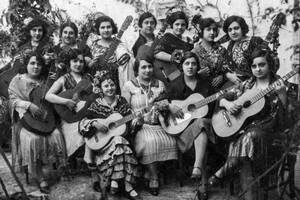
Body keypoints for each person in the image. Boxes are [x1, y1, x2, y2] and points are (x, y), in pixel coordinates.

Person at [208, 48, 287, 200]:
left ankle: (222, 172)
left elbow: (285, 120)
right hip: (246, 131)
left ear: (269, 64)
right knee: (247, 140)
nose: (258, 69)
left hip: (270, 133)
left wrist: (282, 94)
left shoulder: (280, 85)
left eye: (262, 65)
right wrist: (228, 104)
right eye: (254, 66)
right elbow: (221, 97)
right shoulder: (246, 85)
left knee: (249, 137)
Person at [8, 52, 66, 193]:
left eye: (39, 64)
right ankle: (39, 177)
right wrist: (28, 105)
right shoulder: (18, 80)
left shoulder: (46, 80)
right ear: (26, 65)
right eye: (32, 63)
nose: (36, 66)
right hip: (25, 121)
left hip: (45, 119)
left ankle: (62, 169)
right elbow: (11, 100)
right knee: (33, 140)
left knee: (57, 134)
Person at [79, 70, 141, 200]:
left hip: (122, 142)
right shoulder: (96, 104)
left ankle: (115, 181)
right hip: (102, 145)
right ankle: (128, 186)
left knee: (119, 140)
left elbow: (129, 122)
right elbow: (83, 123)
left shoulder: (121, 101)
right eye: (106, 86)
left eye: (112, 85)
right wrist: (95, 123)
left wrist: (137, 120)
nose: (110, 88)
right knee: (119, 143)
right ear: (100, 88)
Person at [122, 50, 178, 196]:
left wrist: (163, 107)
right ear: (137, 69)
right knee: (150, 141)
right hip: (139, 126)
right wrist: (135, 119)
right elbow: (124, 110)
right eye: (143, 67)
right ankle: (153, 177)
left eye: (149, 67)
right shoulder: (129, 86)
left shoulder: (159, 84)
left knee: (171, 140)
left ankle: (149, 171)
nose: (147, 70)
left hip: (159, 123)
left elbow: (165, 104)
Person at [167, 51, 215, 200]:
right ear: (182, 66)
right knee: (200, 128)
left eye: (194, 64)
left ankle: (197, 168)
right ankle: (201, 178)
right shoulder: (175, 84)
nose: (190, 67)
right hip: (183, 132)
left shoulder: (206, 83)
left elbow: (213, 107)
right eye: (187, 63)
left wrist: (222, 97)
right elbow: (160, 101)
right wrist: (170, 106)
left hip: (206, 127)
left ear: (198, 66)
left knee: (201, 123)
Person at [45, 48, 93, 168]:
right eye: (75, 61)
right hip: (70, 117)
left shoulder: (89, 78)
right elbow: (48, 96)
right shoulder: (63, 79)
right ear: (69, 63)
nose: (78, 64)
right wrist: (66, 101)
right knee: (81, 131)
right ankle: (76, 159)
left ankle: (91, 160)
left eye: (81, 61)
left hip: (86, 113)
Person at [87, 15, 134, 94]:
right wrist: (92, 63)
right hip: (97, 83)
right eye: (102, 27)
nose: (106, 30)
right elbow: (87, 67)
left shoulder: (120, 45)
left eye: (108, 27)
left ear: (113, 28)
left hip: (115, 82)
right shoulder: (92, 45)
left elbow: (125, 62)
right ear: (98, 29)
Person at [222, 15, 270, 84]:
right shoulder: (231, 45)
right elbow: (228, 67)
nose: (233, 32)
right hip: (240, 84)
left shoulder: (255, 41)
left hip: (259, 83)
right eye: (230, 30)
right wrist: (229, 75)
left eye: (236, 28)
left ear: (242, 28)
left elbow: (270, 63)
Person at [153, 11, 194, 84]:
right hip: (172, 73)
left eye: (183, 25)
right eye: (177, 24)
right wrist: (173, 58)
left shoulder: (188, 40)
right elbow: (156, 52)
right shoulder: (167, 37)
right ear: (172, 25)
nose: (180, 27)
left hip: (186, 71)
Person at [192, 18, 233, 89]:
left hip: (223, 86)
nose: (212, 32)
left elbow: (230, 67)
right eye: (208, 29)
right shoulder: (194, 52)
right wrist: (198, 75)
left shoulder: (222, 50)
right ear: (201, 31)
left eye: (214, 29)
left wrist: (223, 76)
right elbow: (186, 76)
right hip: (202, 89)